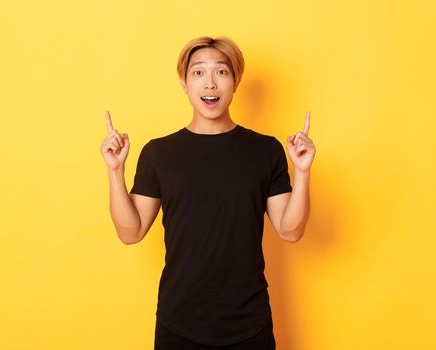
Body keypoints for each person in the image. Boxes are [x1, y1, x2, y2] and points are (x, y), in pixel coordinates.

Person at [100, 36, 316, 349]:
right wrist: (114, 170)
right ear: (184, 84)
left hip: (249, 323)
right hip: (179, 323)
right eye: (198, 73)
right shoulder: (159, 153)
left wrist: (303, 171)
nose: (210, 84)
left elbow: (291, 230)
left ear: (236, 82)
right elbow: (130, 231)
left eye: (221, 72)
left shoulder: (265, 150)